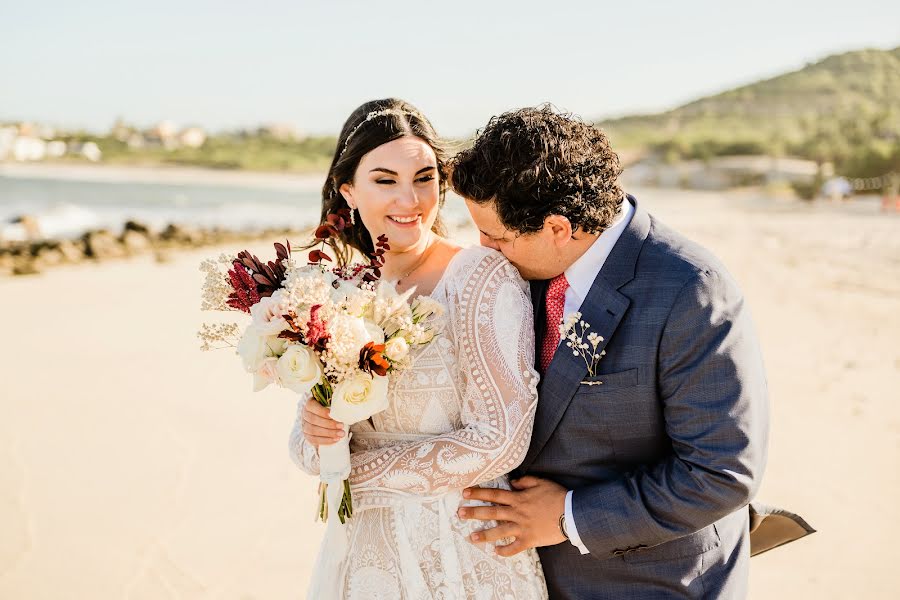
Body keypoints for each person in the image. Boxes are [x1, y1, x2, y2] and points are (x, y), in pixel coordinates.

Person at [451, 106, 770, 599]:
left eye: (497, 236)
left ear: (559, 228)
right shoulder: (521, 272)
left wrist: (567, 515)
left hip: (657, 581)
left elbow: (721, 472)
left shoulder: (691, 290)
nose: (485, 248)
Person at [289, 98, 548, 599]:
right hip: (362, 556)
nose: (410, 199)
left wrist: (351, 479)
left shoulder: (478, 278)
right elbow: (307, 449)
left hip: (464, 549)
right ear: (349, 191)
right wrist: (317, 434)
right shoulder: (338, 292)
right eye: (385, 181)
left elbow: (500, 440)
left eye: (425, 178)